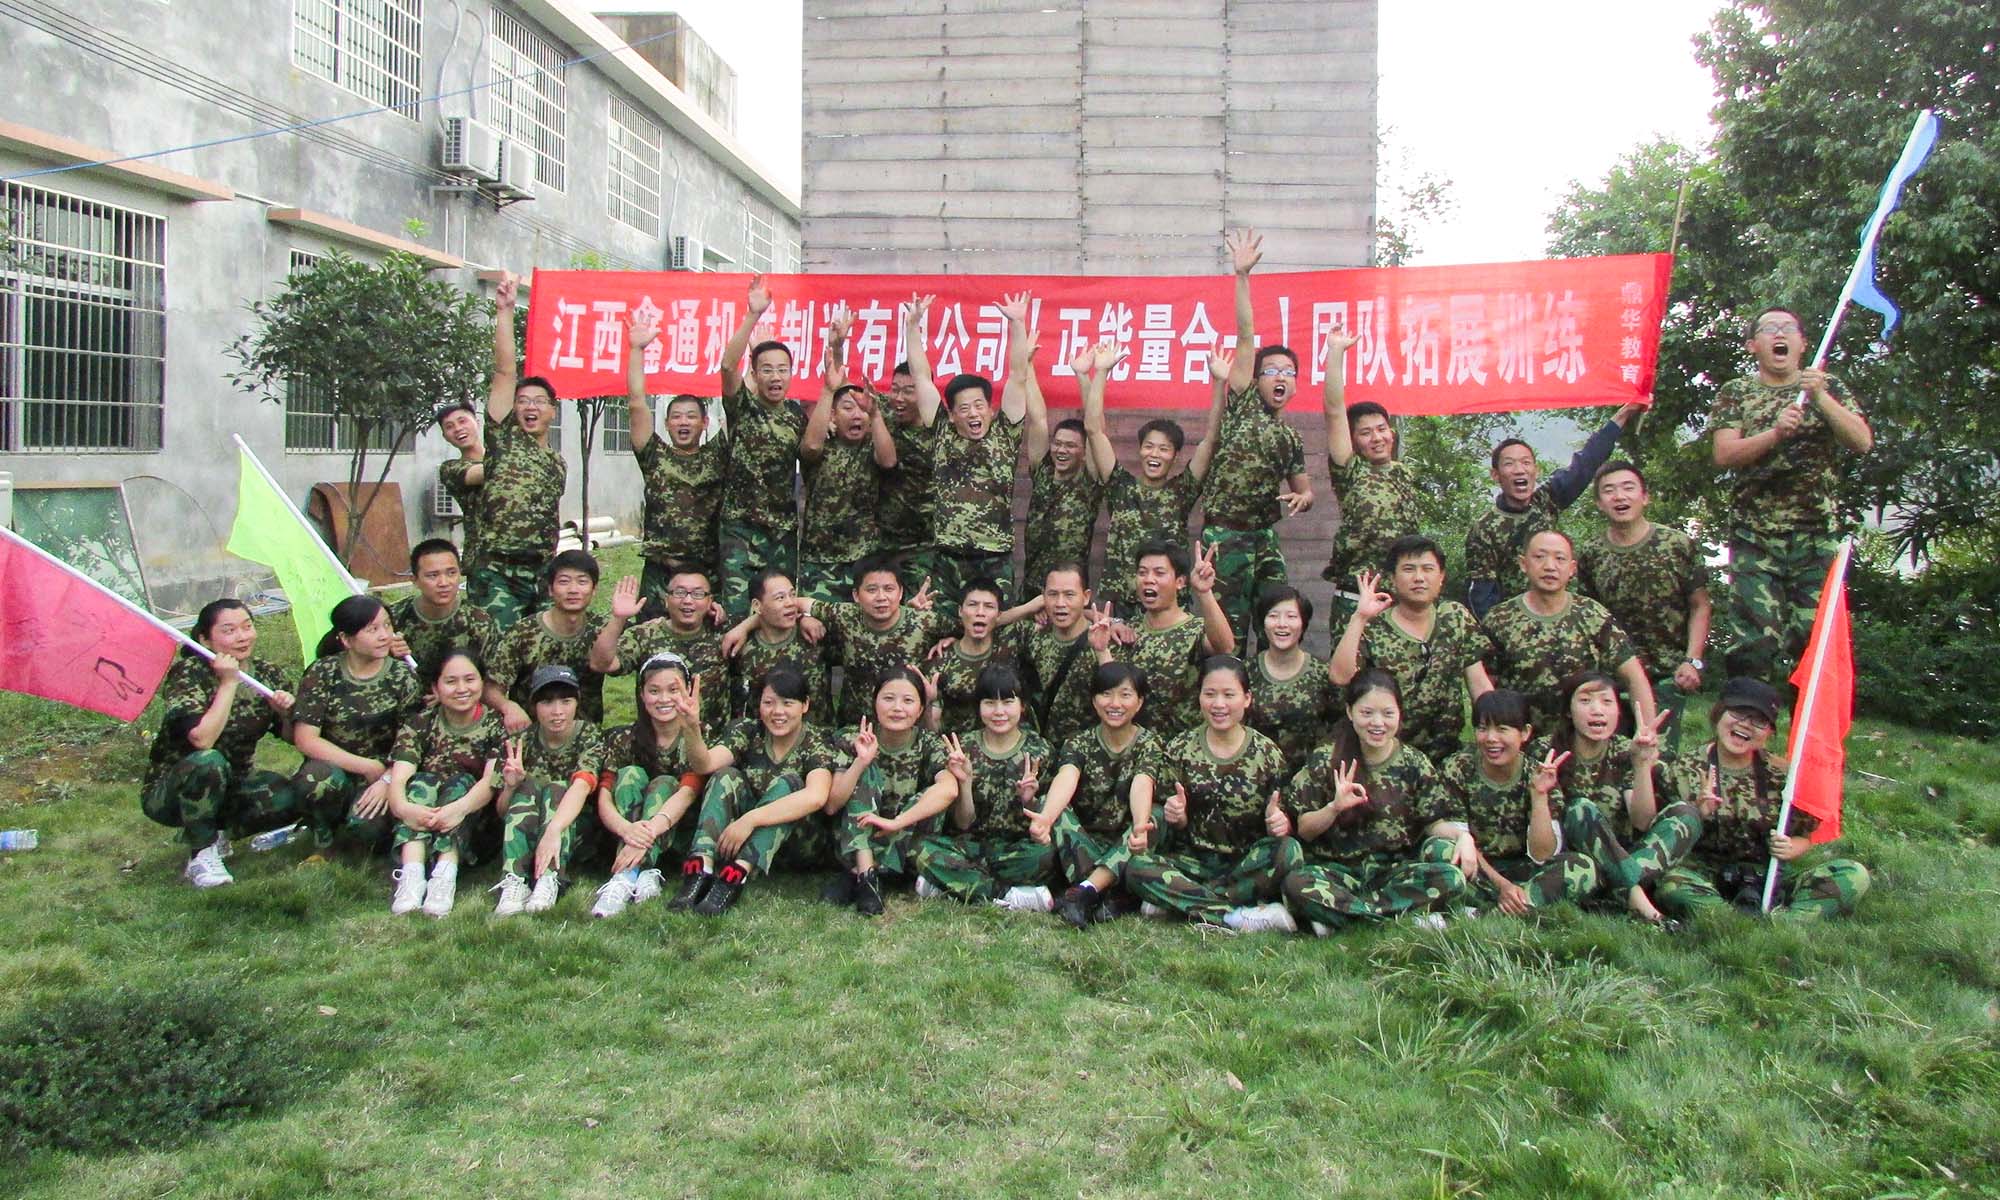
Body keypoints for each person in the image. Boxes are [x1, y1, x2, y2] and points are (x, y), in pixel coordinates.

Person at [1707, 307, 1872, 683]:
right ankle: (1747, 717)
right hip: (1755, 537)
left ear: (1803, 343)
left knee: (1814, 643)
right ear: (1753, 345)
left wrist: (1820, 397)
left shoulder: (1827, 386)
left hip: (1815, 537)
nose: (1779, 334)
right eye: (1769, 329)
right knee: (1754, 644)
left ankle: (1807, 721)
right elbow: (1724, 454)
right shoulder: (1737, 392)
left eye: (1788, 328)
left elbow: (1861, 441)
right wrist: (1775, 434)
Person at [1654, 677, 1869, 920]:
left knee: (1853, 874)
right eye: (1738, 713)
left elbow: (1807, 834)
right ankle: (1733, 921)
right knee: (1671, 885)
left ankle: (1785, 923)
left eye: (1759, 720)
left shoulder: (1782, 774)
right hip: (1704, 874)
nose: (1746, 725)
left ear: (1769, 732)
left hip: (1770, 877)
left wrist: (1792, 848)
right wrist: (1696, 814)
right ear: (1718, 713)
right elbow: (1658, 831)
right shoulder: (1684, 769)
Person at [1274, 671, 1471, 934]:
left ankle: (1347, 918)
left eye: (1387, 714)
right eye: (1366, 713)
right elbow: (1305, 830)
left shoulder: (1414, 762)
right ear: (1350, 712)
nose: (1377, 723)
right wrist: (1334, 807)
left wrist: (1463, 836)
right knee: (1296, 883)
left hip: (1394, 874)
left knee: (1451, 875)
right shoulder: (1326, 760)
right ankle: (1397, 917)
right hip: (1338, 874)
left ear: (1399, 714)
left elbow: (1433, 824)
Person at [1123, 655, 1302, 931]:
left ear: (1247, 698)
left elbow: (1283, 818)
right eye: (1210, 694)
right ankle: (1235, 916)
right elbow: (1171, 822)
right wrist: (1177, 816)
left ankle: (1179, 898)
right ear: (1199, 697)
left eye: (1229, 695)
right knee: (1136, 867)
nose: (1219, 704)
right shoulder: (1180, 748)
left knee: (1289, 851)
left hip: (1245, 865)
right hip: (1193, 863)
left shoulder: (1267, 754)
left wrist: (1279, 823)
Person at [1197, 230, 1313, 652]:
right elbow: (1246, 335)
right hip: (1224, 536)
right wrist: (1243, 276)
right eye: (1272, 371)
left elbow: (1305, 490)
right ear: (1256, 379)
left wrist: (1304, 498)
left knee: (1276, 624)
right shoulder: (1243, 402)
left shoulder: (1290, 437)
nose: (1281, 377)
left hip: (1264, 538)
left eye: (1288, 372)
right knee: (1225, 637)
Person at [141, 599, 300, 888]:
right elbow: (202, 739)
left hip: (235, 784)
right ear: (205, 639)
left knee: (293, 796)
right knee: (209, 761)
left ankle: (216, 832)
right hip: (177, 788)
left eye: (247, 627)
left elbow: (292, 738)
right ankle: (201, 854)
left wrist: (285, 715)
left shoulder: (268, 674)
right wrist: (228, 683)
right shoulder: (190, 673)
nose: (242, 637)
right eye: (229, 630)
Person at [669, 666, 845, 917]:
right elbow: (705, 764)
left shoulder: (816, 741)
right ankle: (700, 869)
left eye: (788, 703)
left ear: (805, 705)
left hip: (799, 842)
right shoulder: (748, 731)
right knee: (724, 775)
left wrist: (750, 820)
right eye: (769, 703)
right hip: (742, 837)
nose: (777, 712)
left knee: (789, 783)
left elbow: (816, 797)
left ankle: (734, 877)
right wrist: (691, 728)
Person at [1575, 461, 1713, 753]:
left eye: (1628, 488)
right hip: (1612, 678)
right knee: (1612, 757)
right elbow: (1589, 617)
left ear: (1645, 497)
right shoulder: (1591, 553)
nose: (1619, 496)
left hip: (1666, 674)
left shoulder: (1677, 544)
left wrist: (1693, 660)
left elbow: (1700, 605)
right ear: (1599, 503)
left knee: (1657, 758)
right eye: (1609, 491)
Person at [1543, 670, 1701, 923]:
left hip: (1626, 854)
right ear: (1568, 711)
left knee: (1687, 814)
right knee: (1580, 809)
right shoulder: (1548, 751)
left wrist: (1641, 765)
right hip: (1577, 860)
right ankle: (1645, 908)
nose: (1597, 710)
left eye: (1607, 702)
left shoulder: (1626, 749)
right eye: (1585, 701)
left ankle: (1619, 888)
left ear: (1618, 712)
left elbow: (1642, 821)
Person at [919, 292, 1046, 602]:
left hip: (995, 557)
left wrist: (1017, 324)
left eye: (979, 406)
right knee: (942, 623)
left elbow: (1018, 376)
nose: (973, 413)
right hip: (948, 556)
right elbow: (921, 377)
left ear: (990, 409)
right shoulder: (942, 431)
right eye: (964, 408)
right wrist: (912, 327)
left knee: (997, 623)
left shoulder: (1005, 431)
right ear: (952, 414)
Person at [1462, 403, 1642, 618]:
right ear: (1496, 475)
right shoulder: (1484, 529)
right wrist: (1498, 632)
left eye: (1526, 463)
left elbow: (1586, 462)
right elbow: (1482, 595)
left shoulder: (1546, 501)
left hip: (1557, 615)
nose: (1519, 470)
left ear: (1536, 470)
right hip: (1514, 623)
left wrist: (1623, 415)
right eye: (1509, 464)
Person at [1085, 342, 1222, 614]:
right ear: (1140, 450)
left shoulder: (1181, 491)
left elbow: (1212, 439)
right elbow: (1092, 430)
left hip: (1169, 607)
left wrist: (1219, 383)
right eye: (1149, 446)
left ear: (1175, 455)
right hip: (1121, 607)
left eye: (1164, 448)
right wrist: (1100, 373)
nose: (1154, 454)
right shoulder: (1120, 485)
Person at [910, 663, 1059, 911]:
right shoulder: (963, 747)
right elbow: (963, 823)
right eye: (989, 703)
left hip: (1016, 850)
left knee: (1045, 856)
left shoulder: (1039, 750)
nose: (999, 712)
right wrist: (965, 782)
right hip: (971, 846)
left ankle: (954, 884)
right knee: (922, 850)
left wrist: (1029, 800)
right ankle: (1006, 895)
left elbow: (1042, 825)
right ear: (979, 706)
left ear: (1022, 706)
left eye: (1008, 702)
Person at [1480, 529, 1656, 736]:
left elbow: (1634, 677)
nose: (1550, 566)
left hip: (1584, 740)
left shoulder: (1592, 614)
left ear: (1572, 568)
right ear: (1523, 563)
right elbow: (1485, 689)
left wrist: (1647, 732)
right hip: (1523, 742)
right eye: (1539, 557)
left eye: (1560, 558)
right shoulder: (1500, 619)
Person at [1332, 539, 1493, 763]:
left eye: (1428, 569)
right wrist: (1360, 618)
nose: (1419, 577)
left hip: (1446, 752)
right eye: (1409, 569)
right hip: (1388, 754)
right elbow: (1340, 676)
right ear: (1392, 578)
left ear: (1441, 577)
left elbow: (1479, 684)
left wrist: (1496, 730)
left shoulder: (1455, 616)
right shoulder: (1373, 626)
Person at [1439, 689, 1599, 914]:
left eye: (1502, 729)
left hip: (1524, 870)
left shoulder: (1538, 773)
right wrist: (1503, 886)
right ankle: (1517, 908)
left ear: (1525, 733)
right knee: (1441, 850)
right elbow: (1458, 835)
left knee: (1582, 866)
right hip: (1477, 869)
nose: (1491, 738)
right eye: (1483, 729)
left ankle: (1492, 914)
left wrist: (1539, 795)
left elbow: (1542, 855)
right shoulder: (1457, 768)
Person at [466, 274, 566, 631]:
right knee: (497, 646)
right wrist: (505, 312)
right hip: (497, 571)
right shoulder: (504, 439)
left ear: (553, 411)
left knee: (538, 648)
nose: (530, 407)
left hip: (541, 572)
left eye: (539, 401)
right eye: (523, 401)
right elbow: (505, 371)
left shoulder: (557, 463)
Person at [1032, 662, 1164, 929]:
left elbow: (1143, 782)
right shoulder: (1078, 742)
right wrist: (1045, 818)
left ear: (1139, 702)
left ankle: (1083, 893)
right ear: (1094, 700)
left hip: (1126, 842)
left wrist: (1140, 825)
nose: (1114, 703)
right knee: (1050, 804)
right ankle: (1105, 894)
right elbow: (1067, 777)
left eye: (1125, 695)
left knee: (1155, 816)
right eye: (1106, 694)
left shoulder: (1149, 743)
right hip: (1086, 844)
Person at [290, 595, 423, 850]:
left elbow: (413, 740)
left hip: (386, 774)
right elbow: (306, 739)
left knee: (367, 831)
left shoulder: (402, 676)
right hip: (336, 768)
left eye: (387, 625)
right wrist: (365, 766)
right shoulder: (322, 672)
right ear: (346, 639)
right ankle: (322, 837)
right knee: (315, 781)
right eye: (372, 629)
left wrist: (387, 779)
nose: (384, 635)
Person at [384, 648, 505, 917]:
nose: (462, 689)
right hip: (425, 812)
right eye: (451, 681)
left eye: (469, 679)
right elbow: (400, 775)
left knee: (461, 782)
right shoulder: (420, 723)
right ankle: (412, 875)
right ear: (435, 687)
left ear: (481, 682)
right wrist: (405, 808)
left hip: (474, 818)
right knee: (421, 783)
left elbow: (490, 782)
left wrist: (457, 809)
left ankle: (444, 875)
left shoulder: (496, 725)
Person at [715, 274, 807, 621]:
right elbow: (727, 366)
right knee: (739, 613)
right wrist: (753, 314)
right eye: (767, 370)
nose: (775, 376)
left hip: (781, 532)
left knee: (782, 614)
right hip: (740, 529)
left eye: (782, 370)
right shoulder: (743, 408)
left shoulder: (796, 416)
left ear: (791, 374)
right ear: (754, 373)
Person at [1319, 328, 1423, 629]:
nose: (1377, 438)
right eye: (1366, 433)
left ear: (1392, 432)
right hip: (1356, 598)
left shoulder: (1404, 473)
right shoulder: (1351, 471)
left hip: (1401, 601)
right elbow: (1334, 411)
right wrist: (1336, 352)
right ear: (1353, 441)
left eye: (1381, 429)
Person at [832, 666, 958, 916]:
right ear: (875, 702)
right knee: (864, 772)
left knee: (929, 795)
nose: (897, 708)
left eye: (908, 701)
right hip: (859, 840)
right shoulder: (851, 738)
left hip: (906, 841)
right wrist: (860, 762)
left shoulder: (929, 744)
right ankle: (868, 877)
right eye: (888, 698)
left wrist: (897, 822)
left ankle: (859, 875)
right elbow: (832, 804)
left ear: (920, 709)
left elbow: (949, 789)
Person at [590, 653, 704, 919]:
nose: (663, 699)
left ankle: (631, 870)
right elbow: (604, 796)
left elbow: (688, 792)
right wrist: (626, 830)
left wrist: (646, 836)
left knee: (664, 783)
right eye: (654, 691)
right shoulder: (624, 737)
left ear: (687, 690)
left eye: (673, 690)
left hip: (676, 832)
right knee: (629, 774)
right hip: (627, 831)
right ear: (642, 694)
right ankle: (634, 874)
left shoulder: (697, 735)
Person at [625, 311, 725, 606]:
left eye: (691, 416)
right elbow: (636, 403)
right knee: (652, 632)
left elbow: (738, 402)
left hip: (705, 573)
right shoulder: (654, 455)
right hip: (661, 572)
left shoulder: (717, 454)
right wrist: (636, 350)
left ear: (704, 423)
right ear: (667, 424)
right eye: (677, 417)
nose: (684, 422)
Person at [799, 309, 898, 601]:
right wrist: (837, 352)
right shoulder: (823, 438)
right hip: (820, 561)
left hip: (864, 560)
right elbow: (810, 448)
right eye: (847, 408)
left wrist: (875, 414)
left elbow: (889, 461)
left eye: (861, 409)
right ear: (832, 414)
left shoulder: (872, 441)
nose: (856, 415)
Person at [491, 666, 605, 917]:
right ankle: (515, 879)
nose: (557, 711)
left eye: (566, 701)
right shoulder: (521, 742)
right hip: (529, 832)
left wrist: (553, 830)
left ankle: (550, 877)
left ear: (577, 702)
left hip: (574, 831)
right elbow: (502, 811)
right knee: (527, 786)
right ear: (534, 706)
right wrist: (511, 786)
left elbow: (582, 786)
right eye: (547, 702)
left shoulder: (588, 736)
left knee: (558, 788)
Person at [794, 557, 955, 727]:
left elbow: (967, 628)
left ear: (900, 593)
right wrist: (803, 618)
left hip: (905, 727)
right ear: (856, 595)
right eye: (872, 590)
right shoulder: (845, 614)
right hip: (855, 728)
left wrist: (952, 638)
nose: (881, 597)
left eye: (889, 589)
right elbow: (794, 603)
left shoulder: (925, 622)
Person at [1098, 540, 1235, 734]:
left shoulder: (1195, 629)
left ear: (1180, 582)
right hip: (1139, 746)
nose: (1148, 579)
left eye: (1159, 573)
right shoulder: (1127, 631)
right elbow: (1113, 689)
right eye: (1142, 573)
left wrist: (1204, 593)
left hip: (1184, 743)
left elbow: (1225, 647)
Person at [592, 570, 729, 738]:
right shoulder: (644, 634)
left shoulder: (723, 634)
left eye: (698, 594)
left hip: (712, 741)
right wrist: (618, 619)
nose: (688, 600)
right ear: (666, 599)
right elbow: (601, 663)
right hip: (656, 741)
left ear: (710, 601)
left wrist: (743, 625)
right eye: (679, 592)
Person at [485, 550, 611, 731]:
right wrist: (508, 707)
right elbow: (491, 688)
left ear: (594, 589)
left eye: (582, 582)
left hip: (584, 736)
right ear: (551, 589)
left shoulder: (602, 630)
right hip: (531, 734)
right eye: (564, 582)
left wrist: (620, 618)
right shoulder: (523, 633)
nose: (573, 590)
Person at [1021, 343, 1109, 602]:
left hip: (1070, 592)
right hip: (1032, 589)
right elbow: (1038, 418)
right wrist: (1027, 364)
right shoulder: (1043, 472)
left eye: (1070, 446)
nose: (1061, 450)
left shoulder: (1089, 481)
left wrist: (1083, 376)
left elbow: (1095, 429)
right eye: (1058, 443)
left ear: (1083, 452)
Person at [879, 300, 942, 585]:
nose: (899, 398)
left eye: (908, 391)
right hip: (882, 543)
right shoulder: (883, 415)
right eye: (894, 390)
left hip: (924, 546)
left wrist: (912, 328)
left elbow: (922, 375)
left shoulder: (937, 426)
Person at [1008, 562, 1102, 749]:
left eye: (1069, 595)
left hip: (1086, 753)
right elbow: (987, 622)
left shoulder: (1103, 642)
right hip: (1041, 750)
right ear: (1043, 596)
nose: (1060, 603)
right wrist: (1028, 608)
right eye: (1052, 594)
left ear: (1086, 597)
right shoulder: (1032, 635)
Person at [1247, 584, 1338, 777]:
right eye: (1273, 616)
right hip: (1257, 777)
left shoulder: (1322, 673)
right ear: (1262, 622)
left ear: (1303, 623)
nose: (1282, 624)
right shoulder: (1246, 672)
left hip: (1309, 780)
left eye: (1291, 616)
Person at [721, 570, 833, 722]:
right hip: (765, 733)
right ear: (757, 605)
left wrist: (803, 617)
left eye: (792, 594)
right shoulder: (742, 647)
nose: (790, 603)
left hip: (818, 734)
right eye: (780, 598)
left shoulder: (814, 634)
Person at [387, 539, 497, 678]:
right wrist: (386, 654)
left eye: (451, 573)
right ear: (415, 580)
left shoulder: (479, 623)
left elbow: (487, 681)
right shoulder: (391, 619)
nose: (444, 583)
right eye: (433, 575)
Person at [928, 576, 1024, 735]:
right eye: (973, 605)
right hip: (959, 745)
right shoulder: (941, 660)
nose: (980, 612)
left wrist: (1040, 612)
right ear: (960, 611)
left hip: (1007, 744)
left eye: (989, 606)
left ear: (999, 614)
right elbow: (934, 724)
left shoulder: (1011, 643)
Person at [435, 399, 484, 575]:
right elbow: (484, 473)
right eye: (449, 427)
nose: (457, 429)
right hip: (483, 561)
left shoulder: (506, 459)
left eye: (462, 421)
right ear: (445, 437)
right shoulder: (450, 469)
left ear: (477, 422)